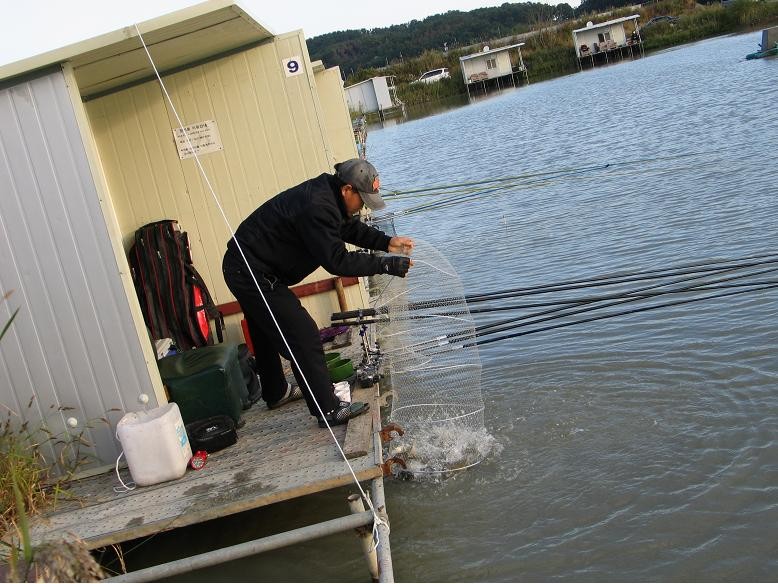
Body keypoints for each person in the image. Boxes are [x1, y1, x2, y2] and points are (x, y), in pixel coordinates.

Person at [222, 159, 414, 427]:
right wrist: (386, 265)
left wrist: (386, 242)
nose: (363, 207)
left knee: (264, 329)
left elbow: (348, 228)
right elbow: (338, 261)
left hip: (250, 266)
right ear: (347, 189)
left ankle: (276, 392)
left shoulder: (330, 197)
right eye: (362, 200)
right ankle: (328, 409)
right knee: (304, 335)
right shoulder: (317, 206)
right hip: (249, 271)